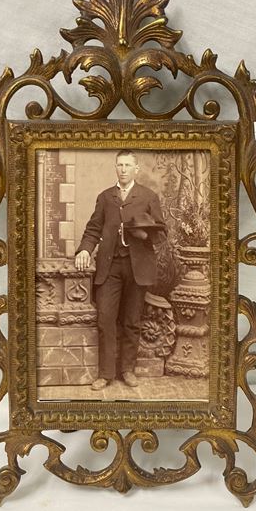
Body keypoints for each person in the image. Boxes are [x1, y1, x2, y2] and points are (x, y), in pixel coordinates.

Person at [74, 150, 166, 390]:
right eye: (120, 165)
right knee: (105, 319)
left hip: (138, 267)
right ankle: (105, 374)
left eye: (127, 165)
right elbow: (93, 229)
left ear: (136, 169)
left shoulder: (148, 196)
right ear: (116, 168)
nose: (123, 169)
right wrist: (84, 250)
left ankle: (127, 370)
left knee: (132, 320)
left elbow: (161, 233)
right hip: (110, 265)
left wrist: (144, 234)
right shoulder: (105, 197)